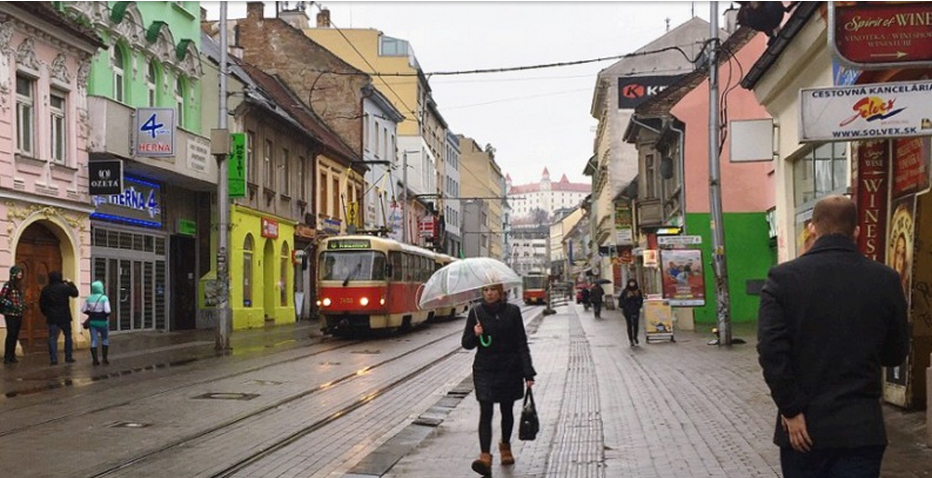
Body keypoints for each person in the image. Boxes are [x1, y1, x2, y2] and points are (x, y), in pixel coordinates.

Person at [757, 195, 909, 478]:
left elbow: (771, 351)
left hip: (802, 429)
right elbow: (895, 353)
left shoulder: (783, 279)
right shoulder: (886, 279)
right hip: (861, 428)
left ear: (813, 228)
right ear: (857, 231)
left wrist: (790, 409)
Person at [462, 283, 536, 476]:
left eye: (493, 290)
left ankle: (505, 447)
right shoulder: (476, 312)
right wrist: (475, 334)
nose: (489, 294)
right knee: (485, 410)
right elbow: (466, 343)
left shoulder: (512, 311)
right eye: (486, 290)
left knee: (507, 409)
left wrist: (528, 372)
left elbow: (521, 342)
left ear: (501, 292)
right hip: (485, 368)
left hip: (509, 368)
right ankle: (485, 456)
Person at [39, 271, 79, 365]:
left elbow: (42, 303)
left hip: (52, 317)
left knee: (52, 337)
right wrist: (70, 283)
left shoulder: (46, 289)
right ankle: (68, 357)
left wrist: (46, 313)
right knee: (68, 336)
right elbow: (75, 293)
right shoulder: (64, 288)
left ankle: (53, 359)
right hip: (64, 316)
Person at [82, 280, 111, 366]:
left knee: (94, 340)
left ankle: (95, 360)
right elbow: (107, 310)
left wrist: (91, 313)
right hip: (102, 322)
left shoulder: (88, 298)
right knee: (104, 339)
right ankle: (105, 359)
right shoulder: (104, 298)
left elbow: (83, 309)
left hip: (93, 322)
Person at [2, 266, 26, 364]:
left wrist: (23, 305)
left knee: (15, 334)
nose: (20, 274)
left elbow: (20, 299)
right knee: (11, 333)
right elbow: (2, 298)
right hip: (10, 313)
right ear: (13, 274)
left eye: (21, 272)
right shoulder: (8, 285)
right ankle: (7, 356)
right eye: (18, 272)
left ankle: (12, 355)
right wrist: (11, 305)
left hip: (18, 313)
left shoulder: (19, 285)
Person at [619, 279, 644, 346]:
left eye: (633, 283)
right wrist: (627, 298)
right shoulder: (625, 291)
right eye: (630, 283)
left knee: (635, 325)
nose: (632, 284)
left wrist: (638, 305)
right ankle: (631, 340)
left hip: (635, 310)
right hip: (627, 311)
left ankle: (635, 337)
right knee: (629, 325)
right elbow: (621, 300)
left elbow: (641, 300)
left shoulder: (638, 291)